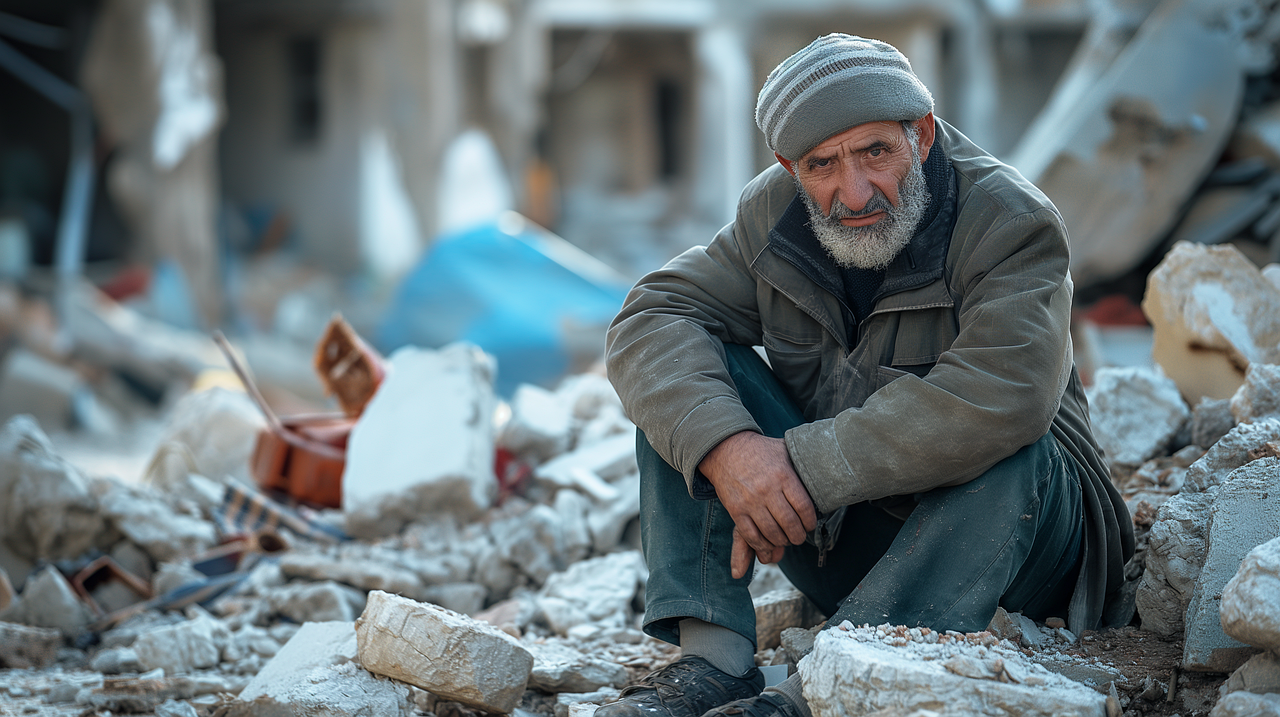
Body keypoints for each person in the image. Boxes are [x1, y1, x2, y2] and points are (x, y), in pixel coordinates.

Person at [600, 33, 1134, 717]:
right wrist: (733, 453)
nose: (854, 192)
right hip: (847, 532)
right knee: (691, 394)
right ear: (790, 167)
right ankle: (713, 661)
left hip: (1017, 549)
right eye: (823, 164)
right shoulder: (774, 216)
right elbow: (653, 316)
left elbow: (1009, 395)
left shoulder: (1008, 220)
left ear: (923, 136)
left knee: (1014, 449)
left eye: (876, 152)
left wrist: (798, 463)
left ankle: (827, 687)